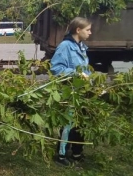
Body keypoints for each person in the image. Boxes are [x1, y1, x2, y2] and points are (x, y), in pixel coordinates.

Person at [50, 17, 92, 166]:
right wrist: (75, 73)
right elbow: (56, 69)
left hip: (82, 92)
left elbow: (86, 71)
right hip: (69, 92)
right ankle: (61, 155)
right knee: (68, 124)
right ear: (78, 30)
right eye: (88, 30)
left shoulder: (82, 47)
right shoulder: (65, 46)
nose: (90, 33)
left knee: (80, 123)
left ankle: (77, 152)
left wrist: (94, 85)